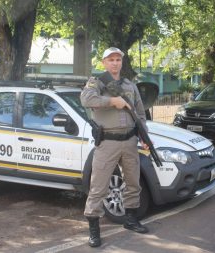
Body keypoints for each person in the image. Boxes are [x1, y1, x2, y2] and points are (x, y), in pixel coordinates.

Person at [80, 47, 149, 247]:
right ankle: (94, 230)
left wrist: (144, 136)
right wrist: (113, 101)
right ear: (104, 62)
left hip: (129, 141)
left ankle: (130, 219)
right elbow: (86, 99)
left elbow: (140, 113)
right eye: (111, 59)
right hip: (108, 142)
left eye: (118, 59)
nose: (115, 63)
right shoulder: (97, 82)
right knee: (99, 186)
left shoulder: (130, 85)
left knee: (133, 182)